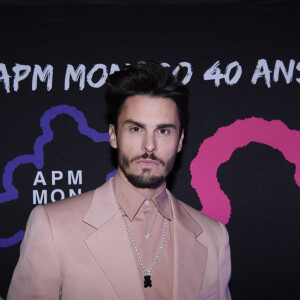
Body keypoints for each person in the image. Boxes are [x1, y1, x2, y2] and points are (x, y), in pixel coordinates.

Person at [7, 61, 231, 300]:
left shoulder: (211, 236)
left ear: (180, 140)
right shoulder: (53, 226)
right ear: (113, 135)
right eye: (136, 129)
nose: (149, 145)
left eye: (163, 131)